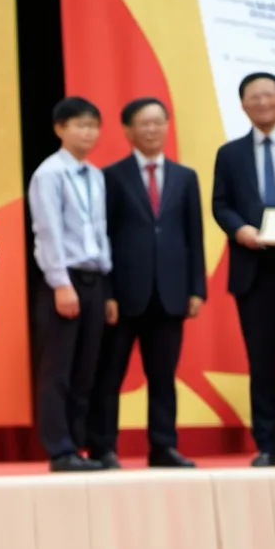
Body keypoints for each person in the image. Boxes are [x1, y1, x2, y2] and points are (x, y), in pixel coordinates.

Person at [88, 98, 205, 469]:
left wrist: (196, 289)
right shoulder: (110, 176)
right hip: (123, 294)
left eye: (158, 122)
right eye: (144, 123)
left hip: (171, 294)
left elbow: (194, 236)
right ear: (127, 130)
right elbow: (101, 236)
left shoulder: (186, 177)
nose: (152, 129)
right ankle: (103, 447)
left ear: (168, 126)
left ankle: (163, 447)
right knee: (110, 375)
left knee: (163, 375)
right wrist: (106, 292)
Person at [28, 96, 111, 471]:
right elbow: (48, 232)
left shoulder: (96, 175)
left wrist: (107, 286)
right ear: (59, 128)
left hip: (96, 279)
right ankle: (59, 449)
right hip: (64, 278)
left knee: (86, 368)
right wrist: (61, 283)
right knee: (58, 369)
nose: (87, 132)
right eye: (80, 124)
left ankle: (79, 445)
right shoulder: (49, 173)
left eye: (93, 125)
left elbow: (101, 232)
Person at [213, 71, 275, 467]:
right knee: (261, 362)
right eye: (253, 97)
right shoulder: (230, 154)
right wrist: (239, 228)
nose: (262, 103)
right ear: (242, 104)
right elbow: (220, 204)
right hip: (252, 272)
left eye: (268, 95)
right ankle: (267, 444)